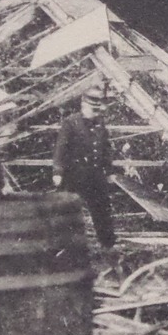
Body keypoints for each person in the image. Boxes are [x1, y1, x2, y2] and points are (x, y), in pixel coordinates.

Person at [53, 82, 117, 251]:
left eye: (97, 109)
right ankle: (64, 245)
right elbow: (61, 148)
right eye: (92, 109)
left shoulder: (99, 124)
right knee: (67, 210)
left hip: (95, 175)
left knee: (102, 209)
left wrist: (109, 171)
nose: (95, 113)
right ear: (83, 105)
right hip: (74, 175)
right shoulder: (70, 123)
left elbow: (105, 148)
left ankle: (107, 244)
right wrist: (58, 171)